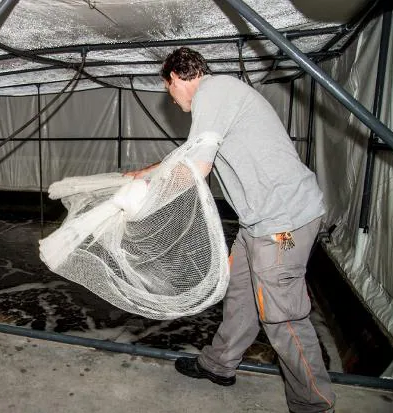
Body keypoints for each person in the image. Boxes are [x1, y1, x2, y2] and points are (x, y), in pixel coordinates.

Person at [125, 47, 335, 413]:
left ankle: (314, 404)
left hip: (283, 222)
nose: (171, 101)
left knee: (282, 315)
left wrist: (148, 199)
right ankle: (219, 365)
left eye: (167, 90)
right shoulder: (218, 99)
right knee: (239, 294)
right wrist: (146, 173)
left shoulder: (213, 92)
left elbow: (198, 168)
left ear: (175, 78)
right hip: (257, 222)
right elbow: (187, 154)